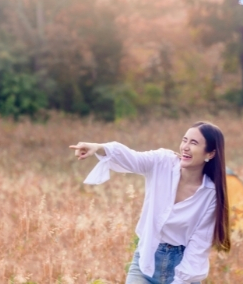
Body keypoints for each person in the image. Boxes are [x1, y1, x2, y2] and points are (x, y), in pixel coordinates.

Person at [70, 121, 231, 284]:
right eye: (184, 140)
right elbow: (132, 158)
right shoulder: (163, 162)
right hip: (145, 262)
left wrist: (180, 280)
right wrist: (99, 147)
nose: (185, 147)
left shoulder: (211, 195)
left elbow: (198, 246)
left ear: (210, 154)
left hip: (182, 270)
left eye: (194, 143)